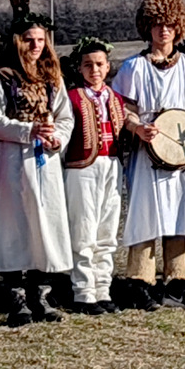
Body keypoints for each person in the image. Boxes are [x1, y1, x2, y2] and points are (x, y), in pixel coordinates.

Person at [116, 0, 185, 311]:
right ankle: (140, 282)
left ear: (179, 27)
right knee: (145, 214)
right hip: (147, 153)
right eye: (157, 24)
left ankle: (176, 282)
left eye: (170, 24)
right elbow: (123, 109)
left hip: (183, 154)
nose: (164, 30)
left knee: (181, 214)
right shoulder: (133, 68)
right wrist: (137, 128)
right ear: (148, 27)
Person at [0, 13, 75, 327]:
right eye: (29, 40)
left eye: (40, 40)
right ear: (17, 42)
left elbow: (65, 116)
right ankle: (16, 298)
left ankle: (40, 295)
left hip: (45, 159)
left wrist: (56, 138)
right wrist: (26, 130)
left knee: (44, 223)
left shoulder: (52, 77)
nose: (36, 46)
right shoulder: (3, 77)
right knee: (15, 224)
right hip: (14, 158)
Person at [62, 37, 126, 315]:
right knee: (84, 229)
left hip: (112, 165)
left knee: (107, 230)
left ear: (108, 66)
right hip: (82, 168)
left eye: (99, 64)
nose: (95, 70)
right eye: (88, 65)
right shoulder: (72, 97)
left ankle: (103, 288)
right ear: (79, 68)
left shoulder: (116, 98)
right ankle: (83, 292)